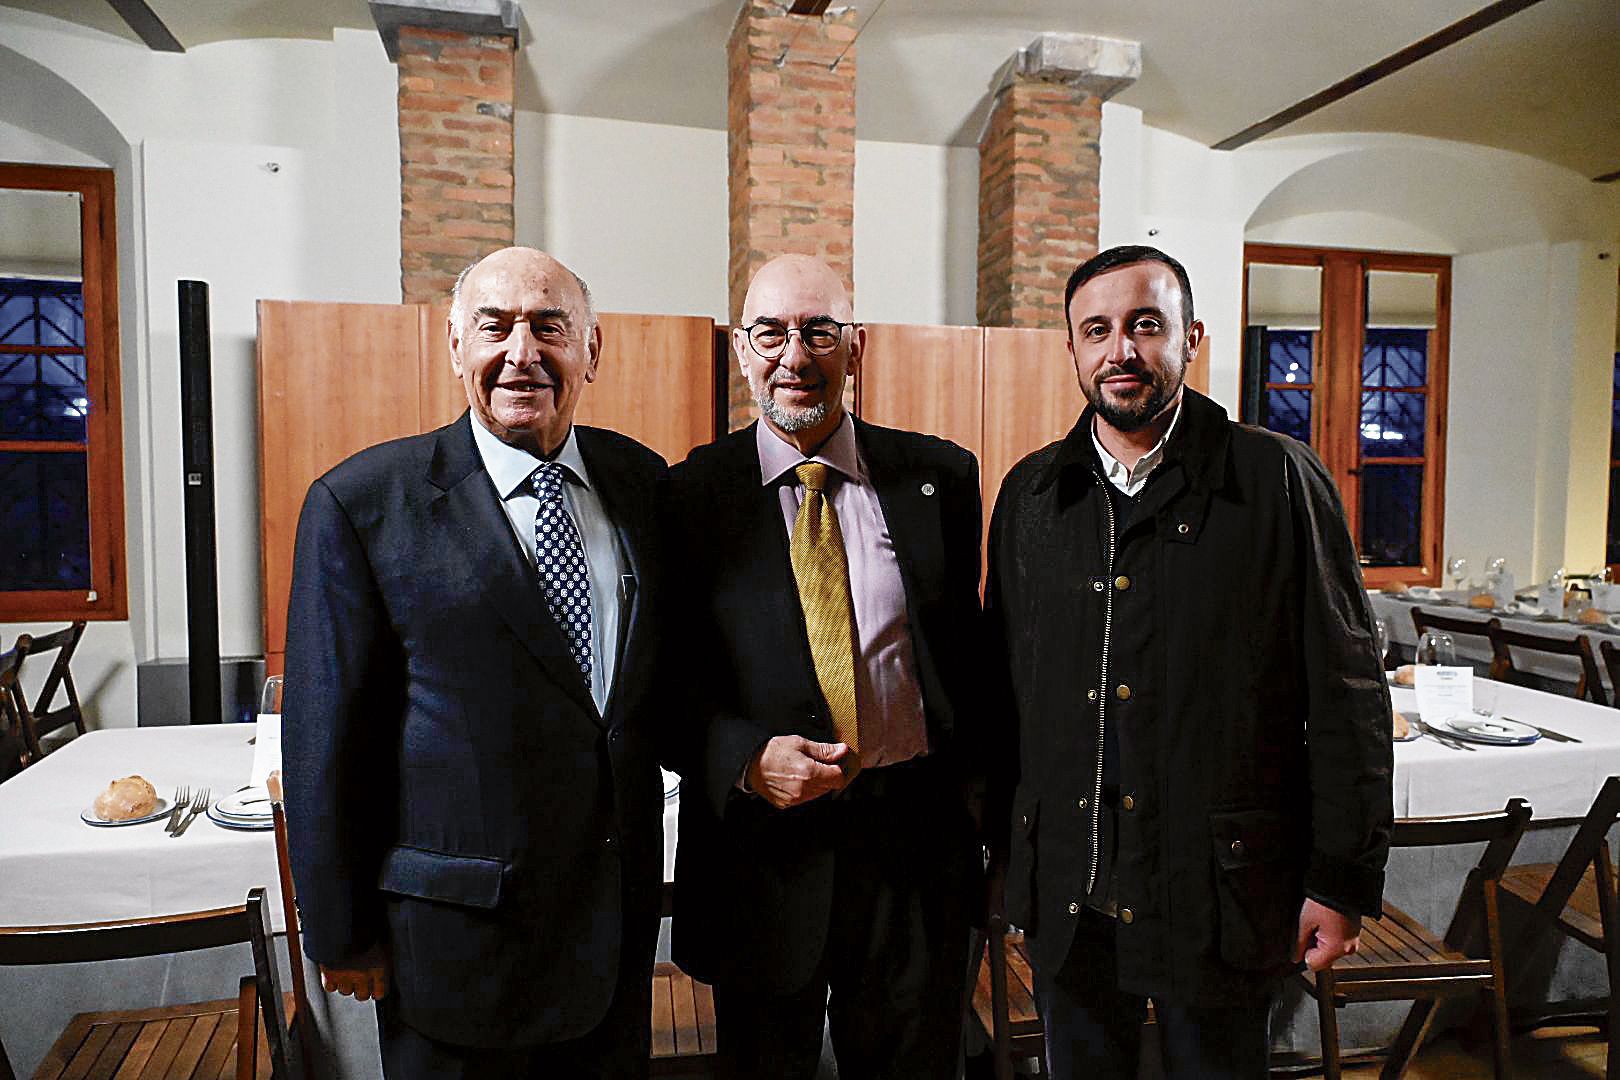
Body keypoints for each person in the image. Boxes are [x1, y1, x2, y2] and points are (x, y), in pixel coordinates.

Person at [985, 245, 1393, 1078]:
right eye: (1096, 330)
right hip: (1073, 892)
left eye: (1145, 325)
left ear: (1191, 336)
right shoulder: (1031, 496)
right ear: (1071, 349)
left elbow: (1349, 694)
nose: (1121, 350)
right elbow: (1005, 696)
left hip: (1220, 893)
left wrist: (1343, 878)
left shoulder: (1275, 479)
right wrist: (1002, 860)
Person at [283, 247, 667, 1078]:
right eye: (494, 327)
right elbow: (324, 743)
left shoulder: (641, 483)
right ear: (455, 347)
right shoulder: (362, 504)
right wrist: (340, 930)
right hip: (456, 952)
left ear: (591, 351)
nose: (520, 352)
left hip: (610, 941)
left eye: (549, 327)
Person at [663, 254, 984, 1079]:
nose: (795, 356)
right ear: (742, 348)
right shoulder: (687, 497)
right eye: (771, 332)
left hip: (915, 855)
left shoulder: (939, 478)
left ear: (858, 346)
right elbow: (657, 686)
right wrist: (740, 758)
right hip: (765, 865)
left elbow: (971, 664)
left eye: (820, 332)